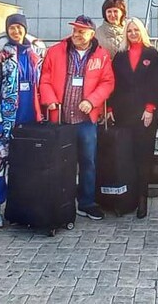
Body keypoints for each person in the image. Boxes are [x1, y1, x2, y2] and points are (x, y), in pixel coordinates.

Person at [39, 15, 114, 221]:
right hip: (60, 119)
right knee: (60, 162)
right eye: (75, 30)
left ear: (92, 34)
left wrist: (92, 100)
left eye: (81, 31)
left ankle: (86, 203)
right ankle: (60, 202)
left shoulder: (102, 55)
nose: (76, 34)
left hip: (86, 121)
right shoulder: (55, 51)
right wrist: (50, 99)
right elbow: (45, 78)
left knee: (88, 162)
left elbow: (107, 83)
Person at [0, 13, 44, 229]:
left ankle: (23, 207)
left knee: (28, 167)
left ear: (25, 29)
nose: (16, 31)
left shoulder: (37, 53)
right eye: (12, 28)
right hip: (5, 121)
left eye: (19, 27)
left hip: (32, 121)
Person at [110, 17, 158, 218]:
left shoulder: (151, 54)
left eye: (136, 30)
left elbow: (155, 82)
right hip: (123, 113)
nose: (133, 33)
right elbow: (113, 83)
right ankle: (128, 198)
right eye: (129, 31)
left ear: (142, 32)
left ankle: (142, 199)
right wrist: (110, 107)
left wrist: (150, 108)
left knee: (143, 157)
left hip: (144, 114)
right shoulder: (120, 55)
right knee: (127, 157)